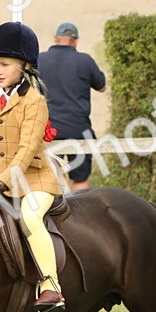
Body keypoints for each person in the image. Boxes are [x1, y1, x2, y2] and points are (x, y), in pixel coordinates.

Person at [0, 22, 64, 312]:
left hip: (35, 180)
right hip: (0, 181)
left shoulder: (35, 102)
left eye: (4, 64)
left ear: (25, 65)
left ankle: (50, 286)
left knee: (30, 218)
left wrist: (2, 183)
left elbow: (26, 151)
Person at [36, 22, 106, 191]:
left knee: (52, 179)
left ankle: (53, 216)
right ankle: (79, 215)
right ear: (76, 41)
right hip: (78, 129)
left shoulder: (39, 60)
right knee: (80, 179)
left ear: (55, 38)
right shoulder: (85, 60)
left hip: (49, 131)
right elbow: (102, 87)